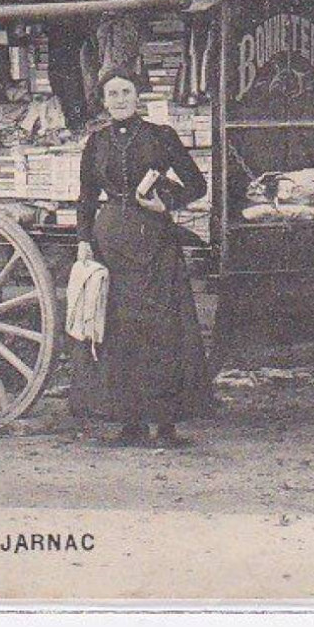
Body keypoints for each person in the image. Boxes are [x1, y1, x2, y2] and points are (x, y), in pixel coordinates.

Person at [70, 69, 212, 448]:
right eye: (112, 94)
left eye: (126, 92)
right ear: (104, 100)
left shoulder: (159, 136)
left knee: (164, 331)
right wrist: (84, 241)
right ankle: (129, 423)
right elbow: (85, 199)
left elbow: (197, 184)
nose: (119, 100)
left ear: (138, 96)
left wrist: (163, 201)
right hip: (111, 242)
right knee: (119, 331)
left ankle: (165, 424)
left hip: (156, 244)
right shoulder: (96, 143)